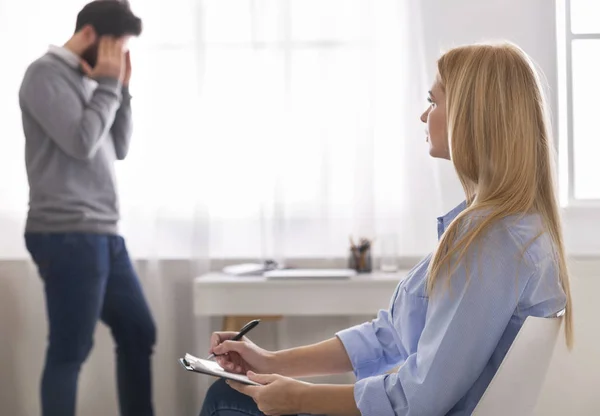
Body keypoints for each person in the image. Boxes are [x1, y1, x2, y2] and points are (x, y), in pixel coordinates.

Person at [198, 42, 574, 416]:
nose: (424, 116)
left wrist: (297, 397)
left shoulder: (489, 243)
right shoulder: (518, 230)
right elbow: (391, 335)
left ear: (471, 117)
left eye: (433, 101)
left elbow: (417, 400)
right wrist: (269, 362)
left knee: (224, 399)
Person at [19, 1, 155, 415]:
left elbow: (119, 147)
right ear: (91, 35)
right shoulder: (44, 74)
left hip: (102, 232)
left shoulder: (92, 78)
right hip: (66, 232)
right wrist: (110, 86)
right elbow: (81, 142)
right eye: (117, 47)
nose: (119, 58)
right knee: (70, 349)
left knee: (138, 331)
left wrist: (122, 90)